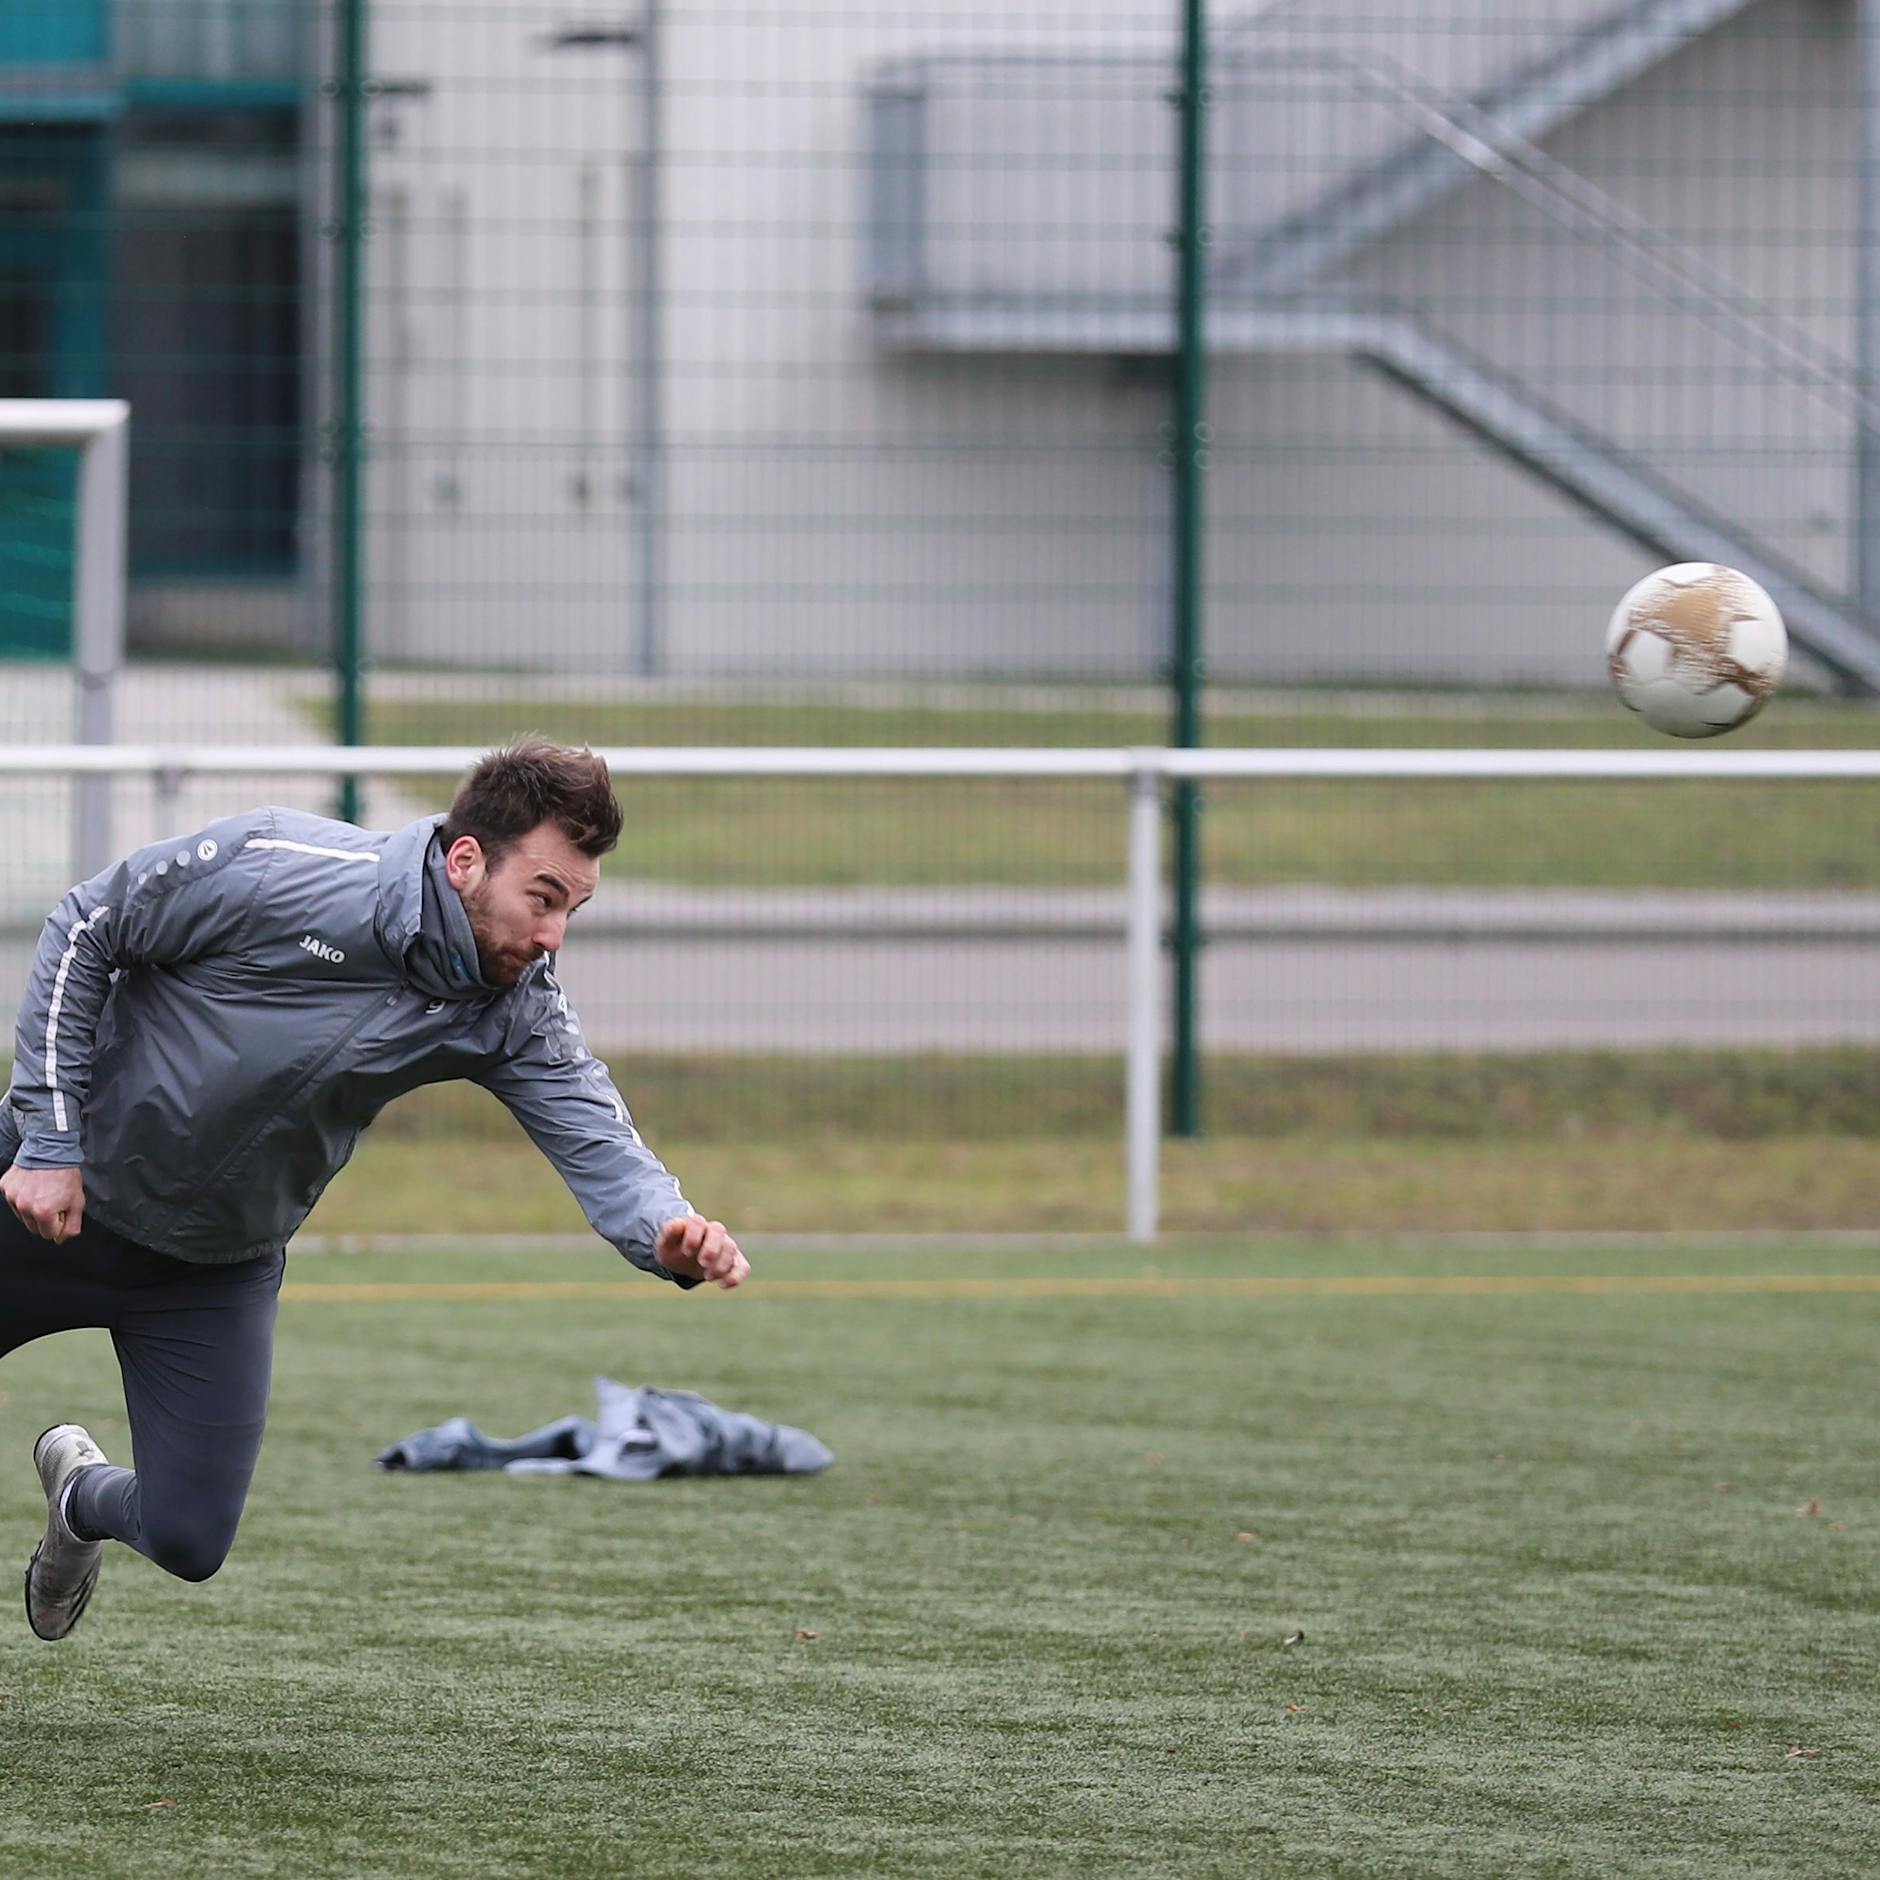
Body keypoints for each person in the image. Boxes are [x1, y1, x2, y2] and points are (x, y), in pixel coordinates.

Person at [1, 737, 747, 1640]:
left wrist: (666, 1225)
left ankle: (80, 1500)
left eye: (572, 910)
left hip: (206, 1272)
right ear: (465, 860)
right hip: (43, 1203)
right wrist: (50, 1138)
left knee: (190, 1537)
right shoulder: (280, 864)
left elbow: (597, 1132)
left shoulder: (511, 1005)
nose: (552, 935)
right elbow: (88, 926)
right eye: (542, 900)